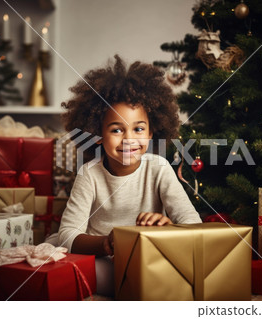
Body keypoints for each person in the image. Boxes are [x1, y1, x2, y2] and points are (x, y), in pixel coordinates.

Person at [57, 55, 202, 296]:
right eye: (116, 129)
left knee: (172, 274)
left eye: (138, 129)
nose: (129, 139)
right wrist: (106, 243)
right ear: (97, 134)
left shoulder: (159, 168)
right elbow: (67, 235)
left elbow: (193, 224)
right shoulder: (89, 174)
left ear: (151, 132)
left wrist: (169, 228)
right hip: (102, 259)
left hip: (149, 257)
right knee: (81, 274)